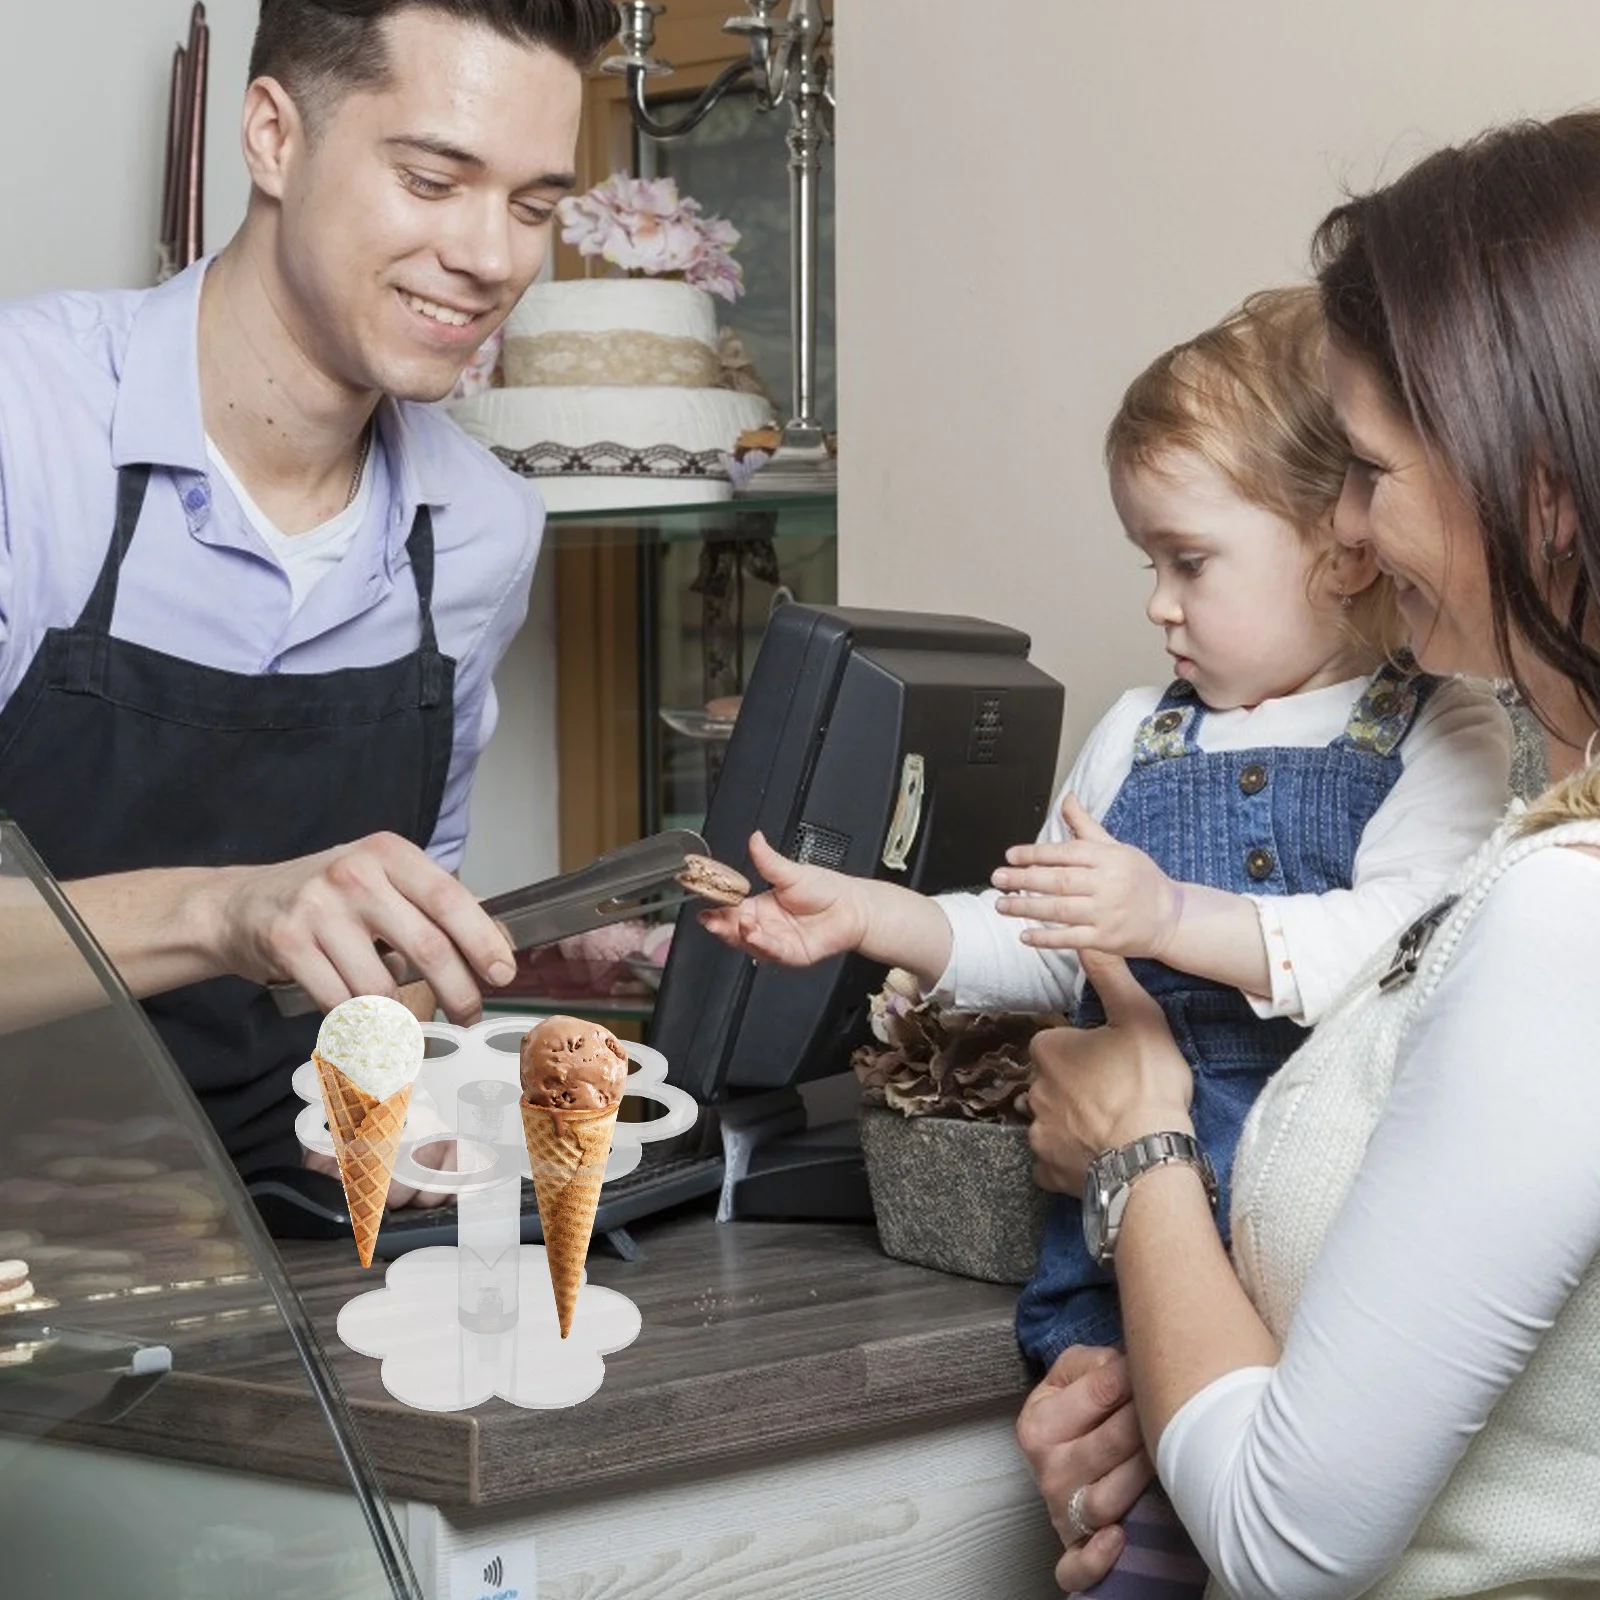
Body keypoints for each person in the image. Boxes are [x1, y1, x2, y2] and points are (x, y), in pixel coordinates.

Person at [703, 290, 1514, 1594]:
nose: (1157, 606)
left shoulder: (1442, 730)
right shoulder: (1139, 728)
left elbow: (1403, 952)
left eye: (1189, 561)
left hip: (1308, 1264)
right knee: (1132, 1535)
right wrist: (875, 917)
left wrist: (1174, 918)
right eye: (1147, 563)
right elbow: (1041, 938)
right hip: (1116, 1259)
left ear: (1343, 549)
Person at [1017, 111, 1600, 1600]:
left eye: (1369, 469)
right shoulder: (1540, 845)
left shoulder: (1569, 919)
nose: (1342, 524)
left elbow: (1288, 1545)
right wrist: (1181, 1399)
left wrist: (1138, 1145)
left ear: (1539, 492)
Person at [0, 0, 617, 1196]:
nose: (493, 258)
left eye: (534, 206)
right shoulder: (26, 432)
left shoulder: (481, 531)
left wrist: (405, 1126)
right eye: (433, 181)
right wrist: (227, 911)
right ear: (273, 137)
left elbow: (393, 957)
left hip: (266, 1226)